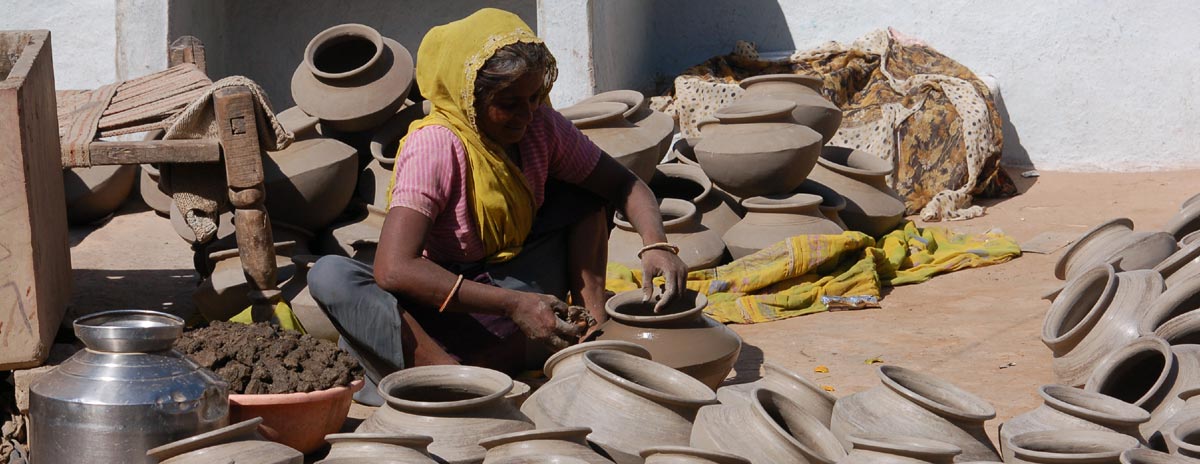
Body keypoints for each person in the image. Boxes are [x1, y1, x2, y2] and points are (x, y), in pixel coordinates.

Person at [308, 8, 687, 401]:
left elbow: (623, 182)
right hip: (449, 309)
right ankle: (453, 381)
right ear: (471, 96)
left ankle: (592, 330)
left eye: (535, 97)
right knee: (331, 274)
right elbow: (393, 269)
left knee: (585, 190)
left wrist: (656, 243)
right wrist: (512, 306)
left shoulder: (541, 125)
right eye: (509, 103)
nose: (526, 114)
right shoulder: (436, 146)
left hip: (520, 287)